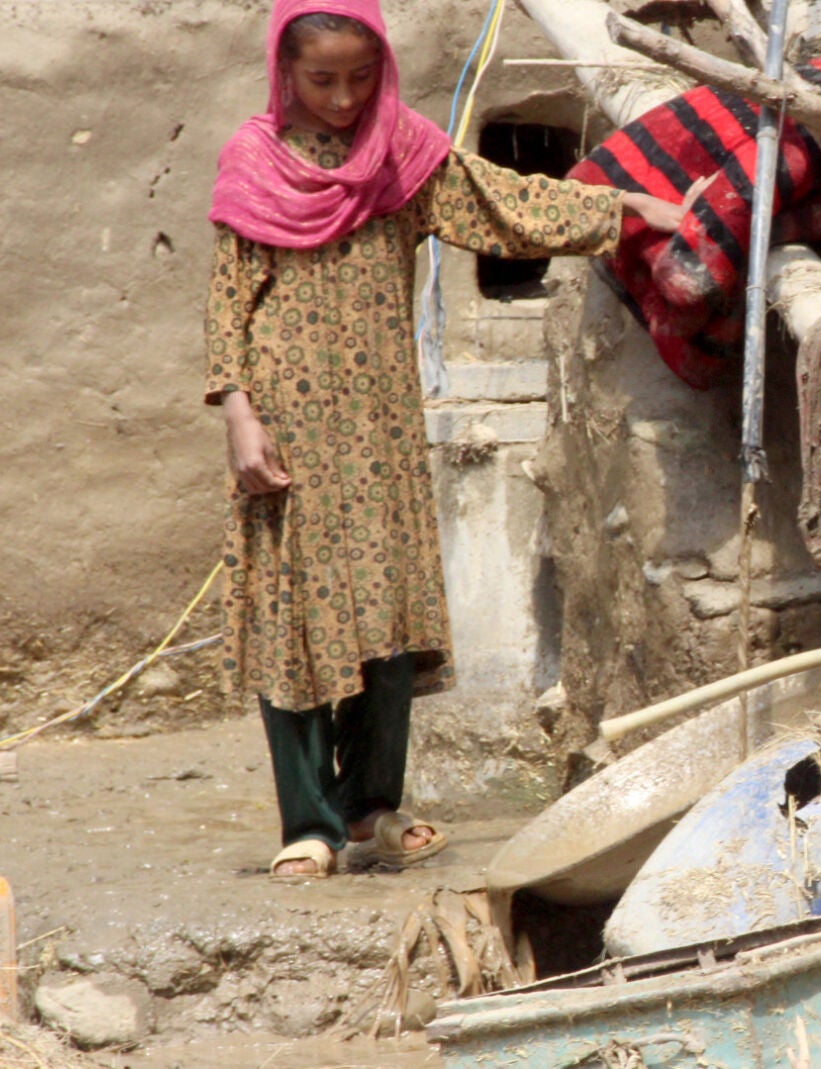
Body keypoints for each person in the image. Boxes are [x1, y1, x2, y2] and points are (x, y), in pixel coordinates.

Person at [205, 0, 705, 879]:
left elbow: (505, 205)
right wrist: (240, 416)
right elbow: (226, 302)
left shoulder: (401, 155)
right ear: (285, 70)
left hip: (381, 423)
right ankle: (309, 825)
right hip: (286, 422)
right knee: (298, 617)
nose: (343, 98)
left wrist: (629, 209)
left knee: (387, 612)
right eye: (322, 79)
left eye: (361, 77)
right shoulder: (256, 161)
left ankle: (371, 808)